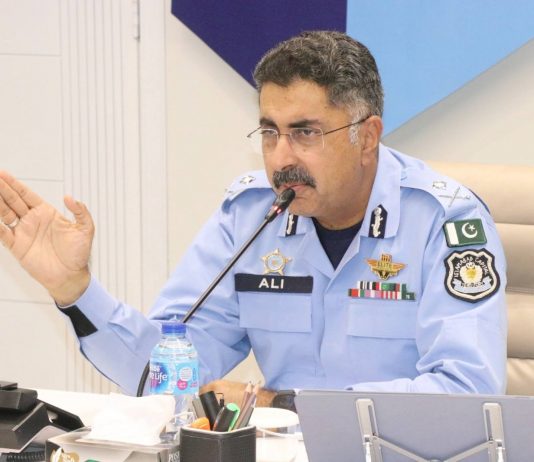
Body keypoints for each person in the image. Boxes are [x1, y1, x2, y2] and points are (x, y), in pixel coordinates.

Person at [0, 31, 507, 407]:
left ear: (367, 136)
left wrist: (287, 407)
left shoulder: (446, 222)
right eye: (269, 132)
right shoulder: (250, 215)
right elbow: (166, 375)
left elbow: (467, 391)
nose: (281, 157)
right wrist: (75, 290)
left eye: (305, 133)